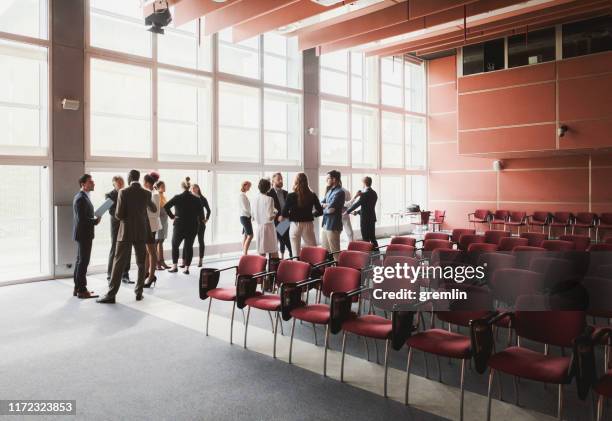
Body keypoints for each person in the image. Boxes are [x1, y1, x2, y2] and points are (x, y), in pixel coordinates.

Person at [98, 170, 157, 303]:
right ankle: (138, 292)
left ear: (129, 178)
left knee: (118, 262)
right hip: (141, 232)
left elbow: (118, 214)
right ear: (138, 178)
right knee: (141, 263)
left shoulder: (123, 192)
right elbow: (153, 209)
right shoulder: (147, 193)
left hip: (125, 233)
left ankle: (111, 295)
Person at [164, 177, 203, 275]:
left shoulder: (177, 197)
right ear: (189, 187)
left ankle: (175, 266)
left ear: (182, 187)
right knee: (189, 247)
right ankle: (187, 268)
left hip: (179, 225)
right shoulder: (196, 199)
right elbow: (201, 214)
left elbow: (166, 206)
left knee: (175, 245)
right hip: (193, 226)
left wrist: (173, 216)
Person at [72, 174, 101, 299]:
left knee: (80, 261)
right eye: (90, 182)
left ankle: (78, 288)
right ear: (83, 184)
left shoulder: (84, 197)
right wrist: (95, 221)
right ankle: (82, 290)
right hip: (84, 234)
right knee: (83, 262)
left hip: (83, 234)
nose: (93, 183)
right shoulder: (80, 198)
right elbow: (82, 219)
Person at [281, 172, 323, 256]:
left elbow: (284, 213)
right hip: (308, 224)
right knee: (313, 249)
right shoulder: (312, 195)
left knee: (295, 251)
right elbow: (320, 211)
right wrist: (312, 214)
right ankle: (315, 267)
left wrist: (292, 215)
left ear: (296, 182)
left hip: (295, 225)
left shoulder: (290, 195)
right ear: (306, 182)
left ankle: (298, 267)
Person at [105, 176, 131, 284]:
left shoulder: (128, 193)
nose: (121, 184)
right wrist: (122, 216)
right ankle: (110, 274)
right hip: (116, 225)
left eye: (122, 182)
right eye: (118, 183)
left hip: (128, 224)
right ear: (114, 184)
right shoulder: (109, 195)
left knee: (127, 248)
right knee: (114, 248)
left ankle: (125, 274)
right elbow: (111, 211)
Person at [346, 176, 378, 247]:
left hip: (365, 220)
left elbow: (357, 204)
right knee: (373, 238)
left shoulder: (364, 194)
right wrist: (357, 212)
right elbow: (368, 207)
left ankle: (368, 256)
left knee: (365, 238)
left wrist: (347, 212)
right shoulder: (374, 193)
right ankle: (377, 254)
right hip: (372, 218)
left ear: (364, 183)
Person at [320, 170, 345, 260]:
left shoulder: (340, 192)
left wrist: (325, 207)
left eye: (328, 178)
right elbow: (321, 203)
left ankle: (338, 269)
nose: (327, 180)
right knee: (325, 250)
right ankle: (328, 271)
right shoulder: (330, 191)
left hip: (333, 225)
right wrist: (325, 205)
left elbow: (331, 210)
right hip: (326, 224)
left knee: (335, 252)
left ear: (334, 179)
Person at [267, 173, 292, 258]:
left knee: (286, 240)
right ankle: (275, 261)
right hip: (274, 221)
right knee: (274, 242)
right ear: (273, 180)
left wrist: (287, 216)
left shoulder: (286, 193)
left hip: (285, 220)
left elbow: (289, 207)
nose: (281, 181)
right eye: (279, 179)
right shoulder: (269, 193)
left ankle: (287, 258)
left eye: (282, 179)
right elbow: (268, 209)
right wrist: (276, 217)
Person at [143, 173, 161, 288]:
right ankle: (146, 274)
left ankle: (151, 277)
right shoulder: (150, 193)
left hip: (151, 225)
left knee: (151, 252)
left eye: (143, 182)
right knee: (147, 252)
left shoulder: (154, 194)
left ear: (147, 183)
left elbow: (155, 212)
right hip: (147, 225)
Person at [253, 178, 278, 258]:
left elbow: (253, 215)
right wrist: (275, 212)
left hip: (259, 227)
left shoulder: (255, 199)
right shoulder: (269, 199)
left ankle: (261, 269)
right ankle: (274, 269)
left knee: (261, 253)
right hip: (268, 228)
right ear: (268, 188)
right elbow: (270, 217)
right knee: (273, 251)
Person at [189, 183, 211, 267]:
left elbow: (208, 210)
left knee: (201, 241)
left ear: (198, 188)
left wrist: (206, 219)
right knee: (189, 242)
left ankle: (200, 260)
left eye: (195, 188)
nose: (193, 189)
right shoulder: (190, 199)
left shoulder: (202, 198)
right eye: (192, 188)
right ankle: (187, 261)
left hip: (201, 223)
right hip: (191, 223)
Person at [155, 180, 170, 270]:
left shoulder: (163, 196)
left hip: (164, 221)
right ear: (158, 187)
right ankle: (158, 263)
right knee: (157, 242)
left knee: (161, 241)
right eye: (163, 186)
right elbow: (157, 211)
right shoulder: (156, 196)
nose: (165, 187)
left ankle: (161, 261)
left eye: (165, 186)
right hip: (159, 222)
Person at [239, 181, 253, 255]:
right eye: (249, 186)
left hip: (245, 217)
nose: (249, 188)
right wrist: (252, 214)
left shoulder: (243, 195)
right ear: (244, 186)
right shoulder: (242, 195)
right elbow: (245, 208)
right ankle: (245, 253)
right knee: (250, 235)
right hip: (245, 217)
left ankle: (244, 253)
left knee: (246, 235)